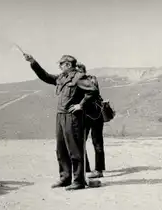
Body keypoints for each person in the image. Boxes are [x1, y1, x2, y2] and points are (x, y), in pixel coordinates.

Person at [24, 54, 98, 190]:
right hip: (61, 116)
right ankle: (65, 177)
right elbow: (45, 76)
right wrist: (33, 62)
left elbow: (93, 90)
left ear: (68, 65)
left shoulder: (78, 77)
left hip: (72, 117)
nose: (59, 67)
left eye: (61, 64)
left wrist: (81, 105)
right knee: (61, 149)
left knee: (74, 149)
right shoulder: (62, 78)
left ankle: (79, 181)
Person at [76, 63, 106, 179]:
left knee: (97, 142)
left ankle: (98, 170)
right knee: (81, 141)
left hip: (94, 115)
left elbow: (92, 93)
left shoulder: (90, 80)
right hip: (88, 115)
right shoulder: (90, 79)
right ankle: (87, 167)